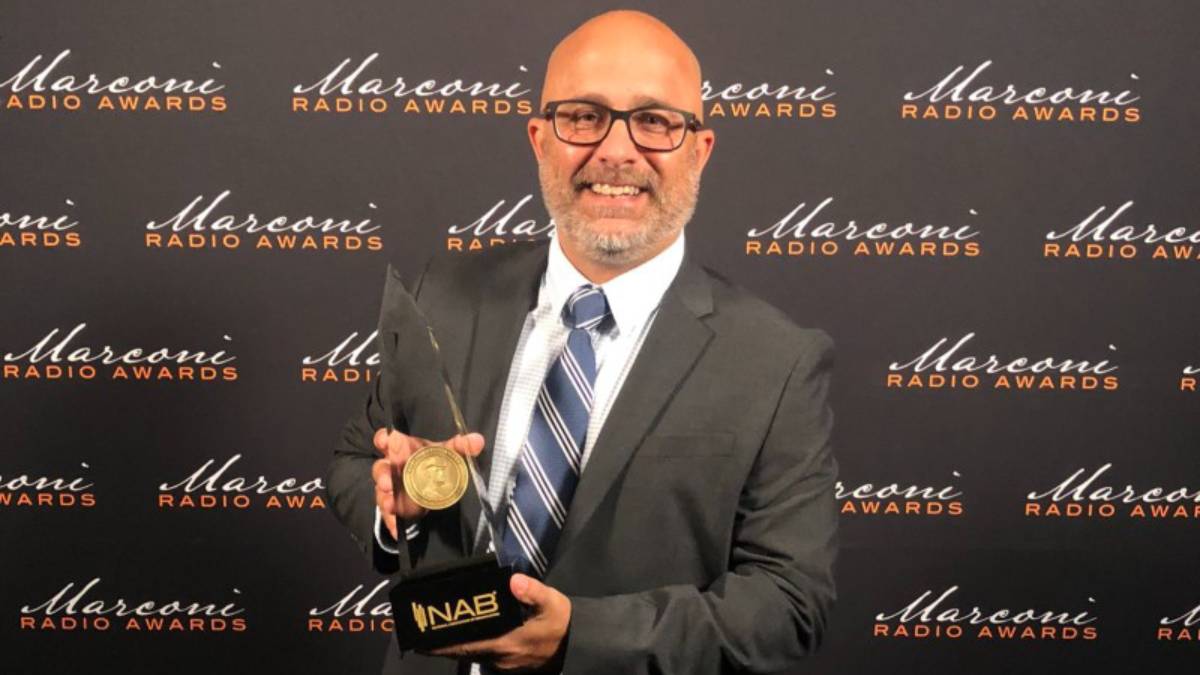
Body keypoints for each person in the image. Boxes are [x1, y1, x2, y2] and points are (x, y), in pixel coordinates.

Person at [327, 10, 837, 674]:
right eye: (583, 116)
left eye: (655, 120)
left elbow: (789, 605)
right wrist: (395, 508)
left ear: (699, 148)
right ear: (540, 139)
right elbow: (354, 460)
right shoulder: (443, 293)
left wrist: (579, 634)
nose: (617, 151)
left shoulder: (778, 361)